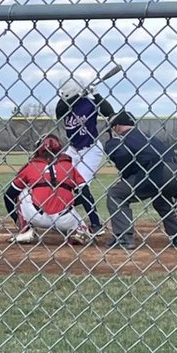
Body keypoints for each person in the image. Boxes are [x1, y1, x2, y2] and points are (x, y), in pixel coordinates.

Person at [103, 111, 177, 250]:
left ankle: (124, 238)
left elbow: (122, 154)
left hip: (159, 172)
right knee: (161, 198)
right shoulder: (148, 137)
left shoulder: (118, 140)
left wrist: (125, 177)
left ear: (116, 126)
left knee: (116, 194)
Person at [4, 134, 91, 245]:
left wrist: (15, 218)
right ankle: (79, 230)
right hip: (65, 218)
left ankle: (25, 229)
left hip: (36, 215)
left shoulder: (32, 166)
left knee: (21, 189)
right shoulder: (68, 166)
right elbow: (85, 194)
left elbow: (8, 195)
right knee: (68, 195)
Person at [55, 77, 116, 235]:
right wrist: (75, 96)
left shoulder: (89, 103)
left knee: (81, 186)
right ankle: (59, 210)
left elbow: (110, 113)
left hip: (90, 150)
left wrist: (96, 94)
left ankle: (95, 224)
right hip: (73, 150)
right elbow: (59, 111)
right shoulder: (64, 105)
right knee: (57, 178)